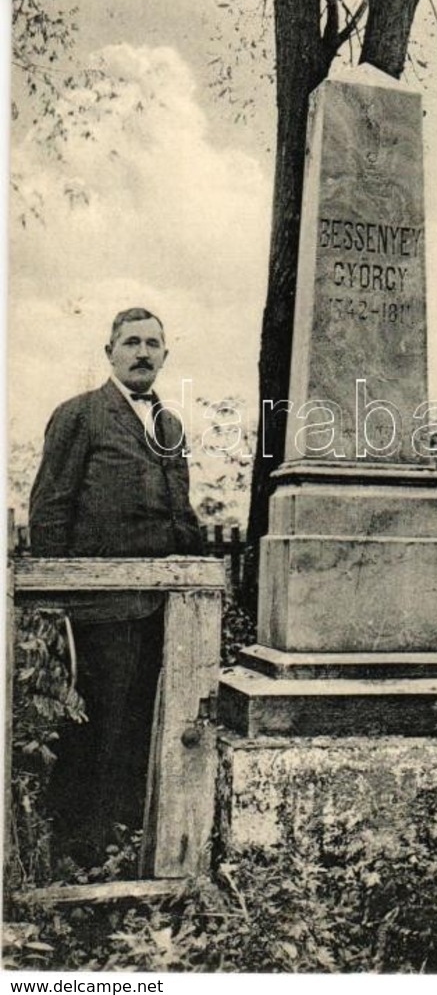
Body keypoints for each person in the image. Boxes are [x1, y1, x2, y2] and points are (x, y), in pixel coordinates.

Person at [29, 307, 202, 866]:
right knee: (94, 730)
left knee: (143, 730)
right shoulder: (80, 416)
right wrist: (54, 607)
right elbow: (51, 509)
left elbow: (182, 515)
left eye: (153, 343)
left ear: (165, 355)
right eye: (131, 342)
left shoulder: (169, 425)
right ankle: (75, 850)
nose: (143, 353)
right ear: (110, 353)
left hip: (162, 609)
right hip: (99, 608)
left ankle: (126, 845)